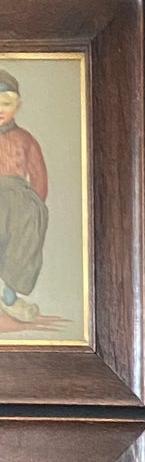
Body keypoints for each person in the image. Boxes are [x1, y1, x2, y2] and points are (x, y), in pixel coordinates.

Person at [0, 70, 48, 324]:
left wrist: (36, 202)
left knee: (24, 231)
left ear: (16, 106)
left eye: (5, 103)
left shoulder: (24, 139)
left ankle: (8, 293)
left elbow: (38, 173)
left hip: (17, 200)